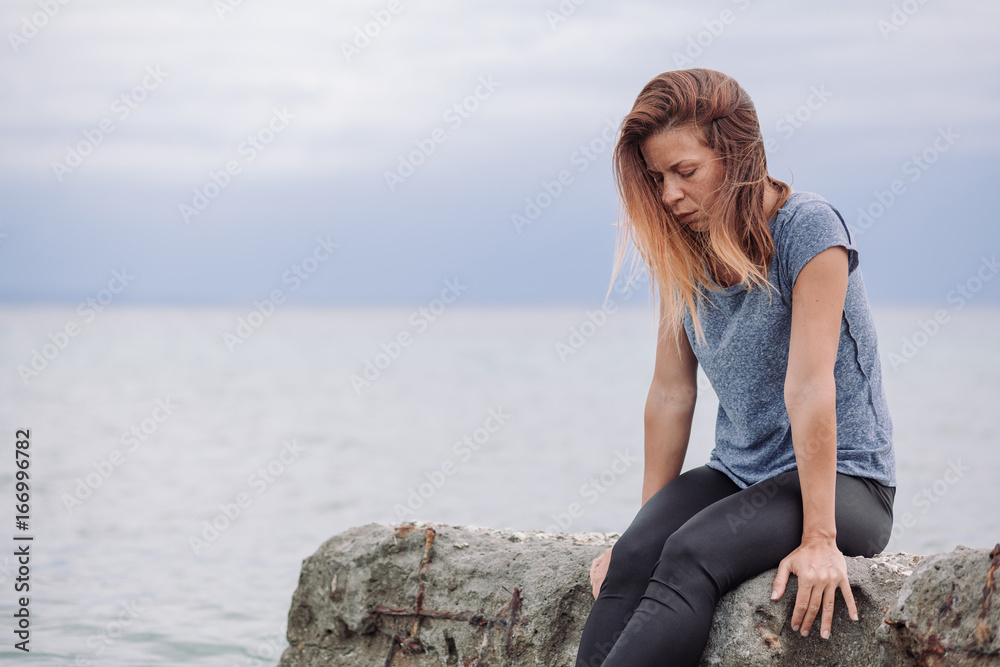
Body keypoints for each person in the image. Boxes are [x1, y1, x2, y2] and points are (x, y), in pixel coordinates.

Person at [574, 68, 897, 666]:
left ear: (737, 156)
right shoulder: (682, 246)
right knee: (637, 554)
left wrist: (820, 540)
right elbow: (671, 394)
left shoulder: (809, 229)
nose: (669, 194)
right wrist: (639, 535)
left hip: (846, 482)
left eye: (685, 172)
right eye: (658, 178)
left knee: (691, 554)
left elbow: (808, 387)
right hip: (740, 473)